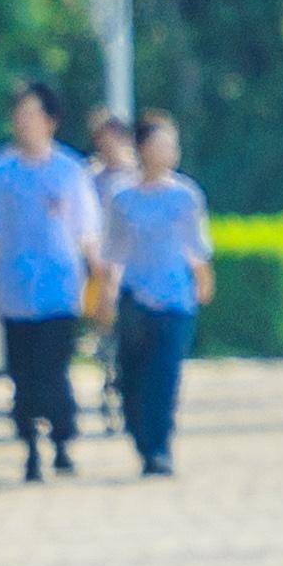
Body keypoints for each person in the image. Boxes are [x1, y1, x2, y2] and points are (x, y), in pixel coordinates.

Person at [0, 83, 105, 481]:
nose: (22, 123)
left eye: (31, 114)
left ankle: (62, 440)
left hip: (60, 291)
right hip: (14, 291)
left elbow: (87, 231)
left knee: (54, 370)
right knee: (23, 374)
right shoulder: (0, 169)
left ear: (50, 121)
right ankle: (28, 446)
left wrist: (100, 279)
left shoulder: (69, 170)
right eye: (18, 115)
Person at [100, 109, 214, 474]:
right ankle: (140, 435)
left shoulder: (187, 196)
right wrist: (106, 293)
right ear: (142, 148)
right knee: (132, 376)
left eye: (172, 145)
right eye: (160, 144)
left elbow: (196, 246)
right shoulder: (122, 198)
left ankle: (159, 447)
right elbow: (113, 252)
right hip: (135, 298)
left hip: (176, 299)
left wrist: (203, 280)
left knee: (164, 376)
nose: (168, 152)